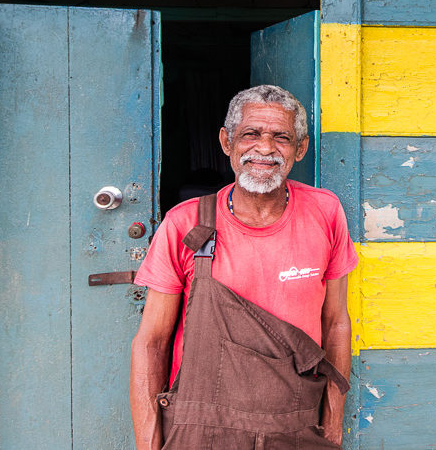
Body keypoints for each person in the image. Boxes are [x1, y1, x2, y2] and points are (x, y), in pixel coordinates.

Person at [130, 85, 359, 450]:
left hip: (296, 428)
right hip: (197, 430)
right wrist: (148, 444)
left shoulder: (326, 212)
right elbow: (151, 342)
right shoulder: (184, 223)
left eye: (281, 137)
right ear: (226, 142)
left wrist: (331, 428)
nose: (265, 149)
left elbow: (336, 323)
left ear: (300, 148)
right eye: (251, 134)